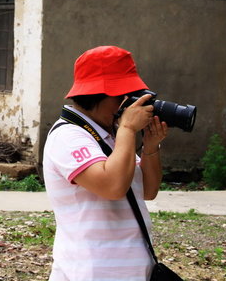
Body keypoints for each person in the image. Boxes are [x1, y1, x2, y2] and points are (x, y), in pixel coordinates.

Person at [42, 45, 168, 280]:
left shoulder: (110, 136)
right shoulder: (68, 136)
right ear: (94, 95)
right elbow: (112, 187)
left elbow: (147, 191)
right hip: (91, 272)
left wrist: (150, 146)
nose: (127, 104)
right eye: (121, 95)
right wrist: (129, 129)